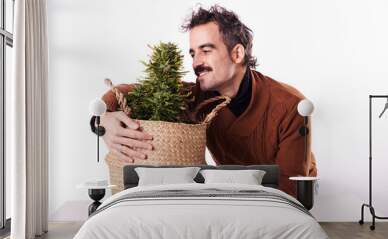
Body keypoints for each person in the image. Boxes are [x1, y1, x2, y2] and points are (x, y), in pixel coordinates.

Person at [94, 5, 317, 197]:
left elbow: (290, 189)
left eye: (206, 51)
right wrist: (102, 119)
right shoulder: (198, 95)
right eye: (193, 53)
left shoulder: (290, 106)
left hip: (287, 191)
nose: (196, 63)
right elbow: (127, 91)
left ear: (237, 54)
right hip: (232, 190)